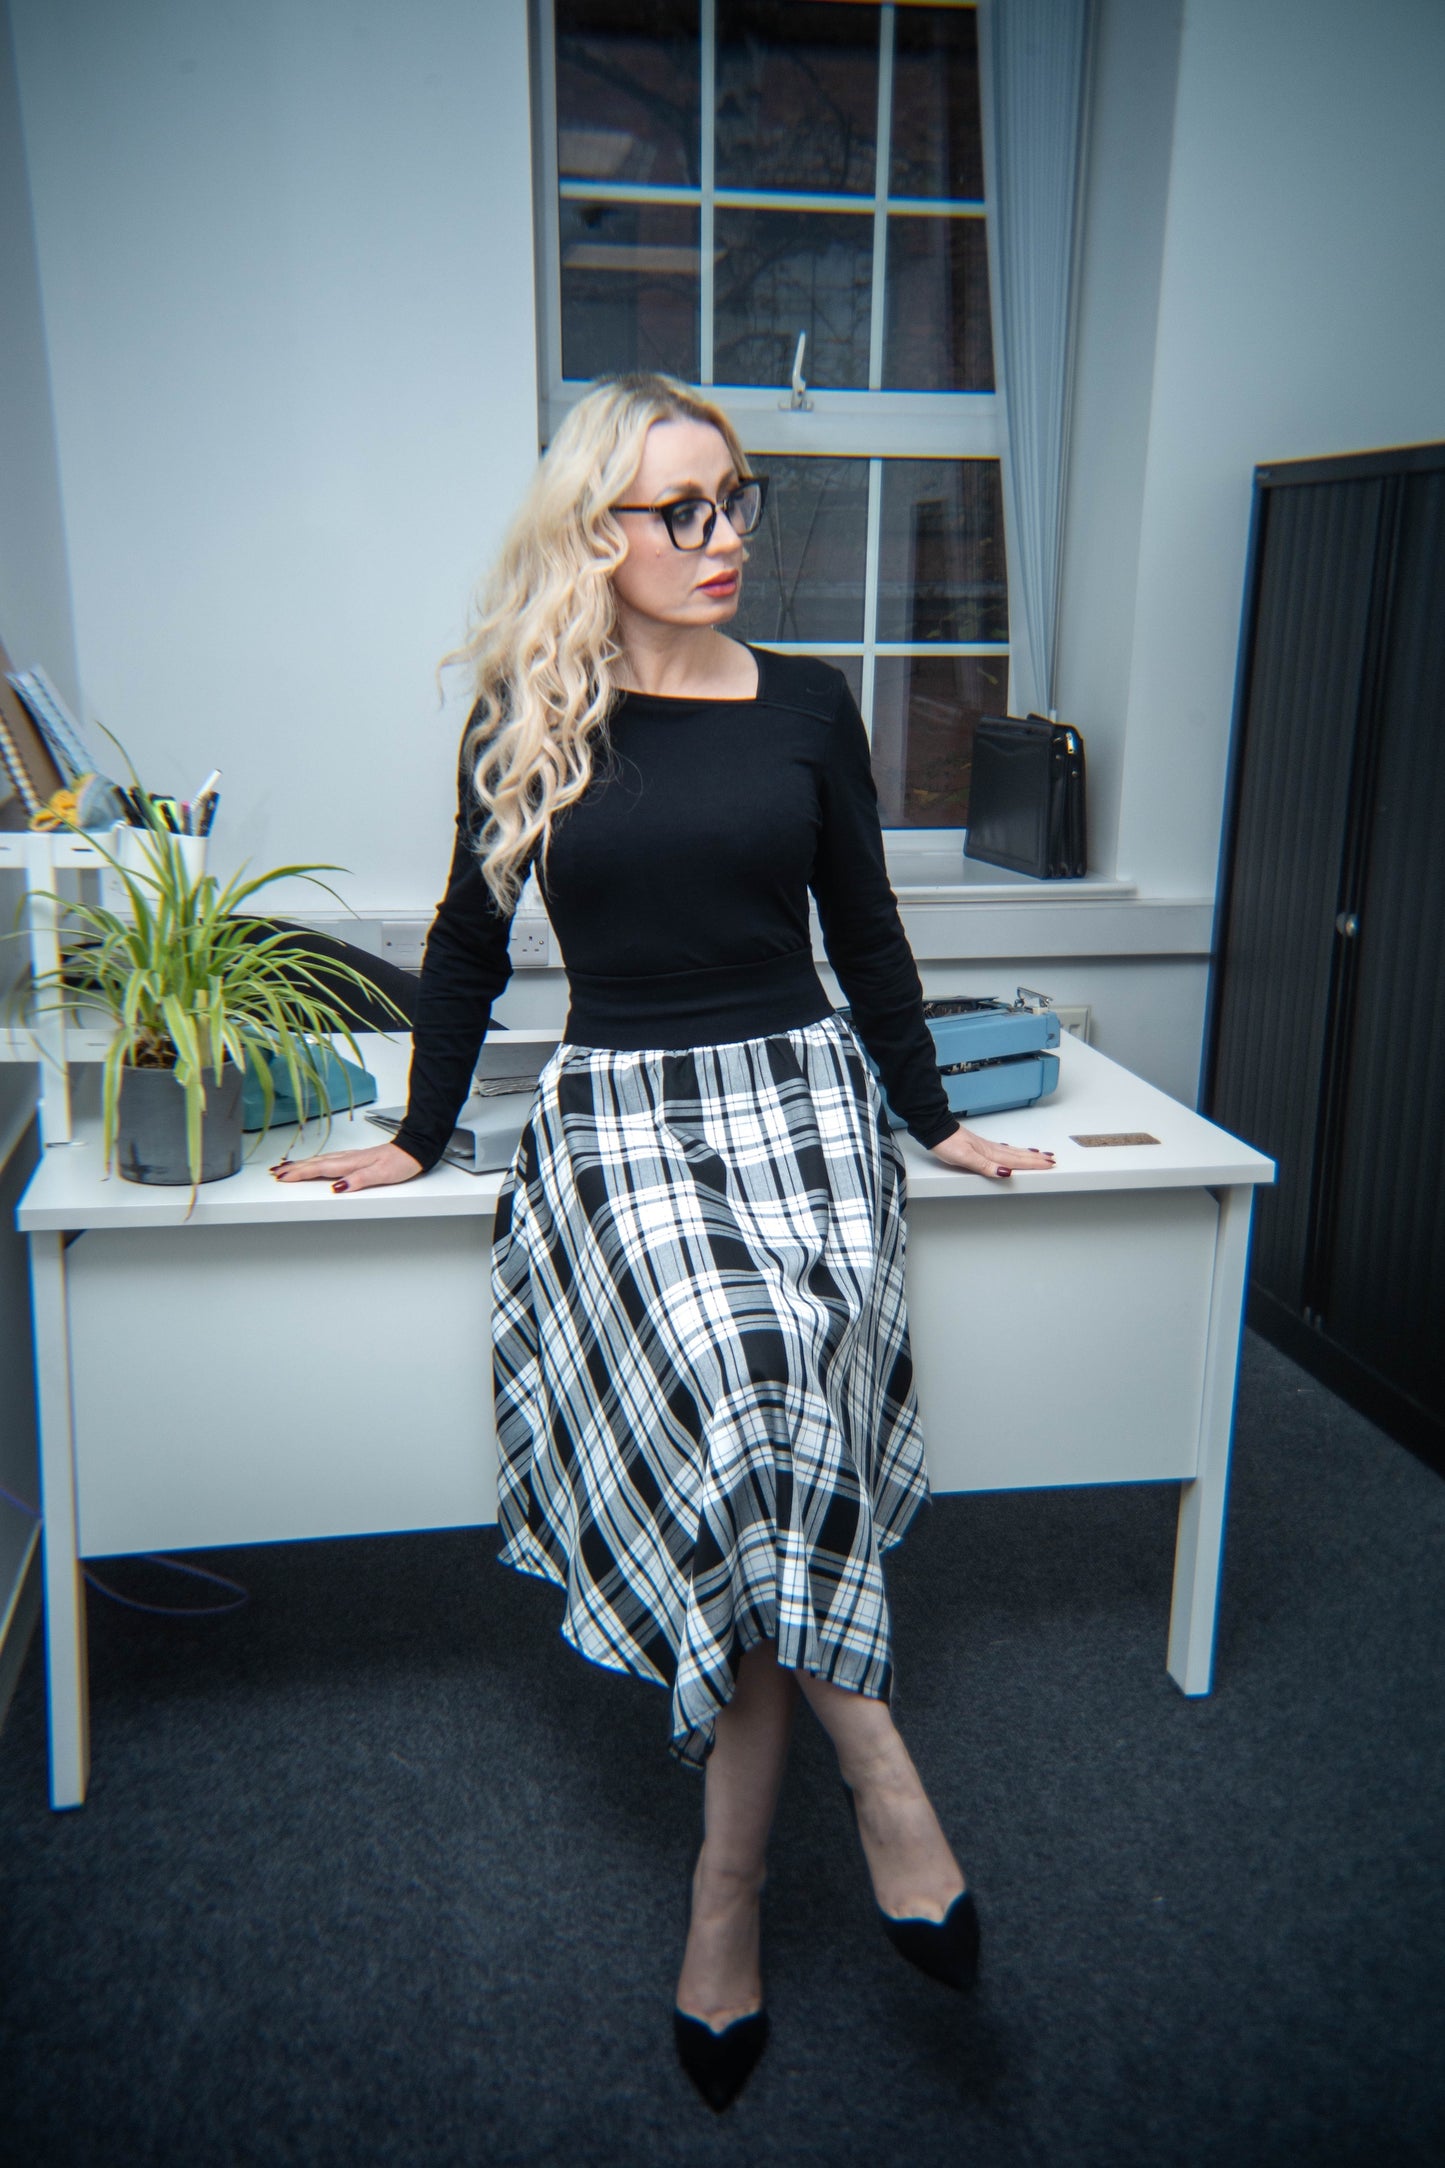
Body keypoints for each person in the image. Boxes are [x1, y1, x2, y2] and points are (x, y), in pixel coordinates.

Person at [272, 372, 1057, 2110]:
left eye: (734, 502)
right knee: (738, 1372)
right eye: (675, 511)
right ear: (592, 530)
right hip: (621, 1109)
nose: (720, 542)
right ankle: (881, 1781)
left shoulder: (807, 706)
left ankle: (721, 1905)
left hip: (798, 1103)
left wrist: (933, 1118)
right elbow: (468, 948)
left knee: (758, 1417)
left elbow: (865, 935)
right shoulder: (523, 706)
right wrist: (413, 1135)